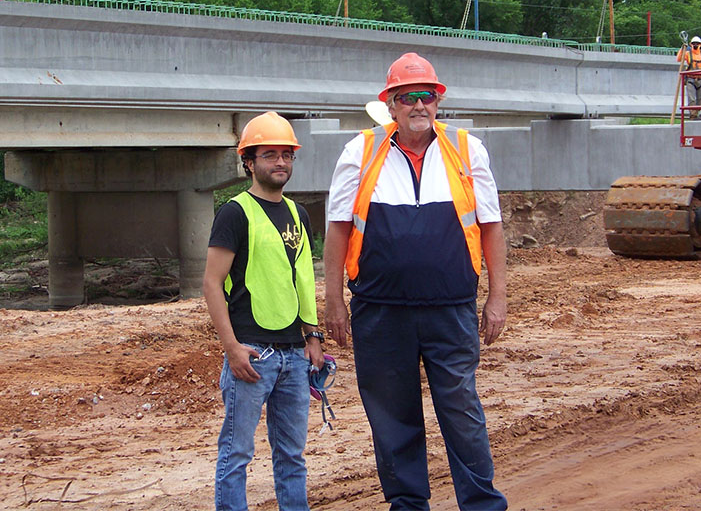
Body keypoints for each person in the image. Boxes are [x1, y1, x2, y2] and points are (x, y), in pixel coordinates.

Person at [324, 52, 508, 510]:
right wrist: (332, 301)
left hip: (451, 309)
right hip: (380, 311)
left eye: (426, 96)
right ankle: (408, 505)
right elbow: (337, 228)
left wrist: (498, 297)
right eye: (407, 98)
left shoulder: (468, 149)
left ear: (438, 102)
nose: (418, 105)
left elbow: (492, 227)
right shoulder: (361, 151)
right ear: (390, 104)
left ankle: (482, 503)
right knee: (392, 418)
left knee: (461, 411)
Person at [203, 111, 325, 511]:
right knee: (236, 454)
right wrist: (232, 347)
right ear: (249, 162)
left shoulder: (298, 214)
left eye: (287, 155)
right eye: (270, 154)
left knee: (292, 457)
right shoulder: (235, 213)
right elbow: (211, 283)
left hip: (294, 355)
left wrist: (313, 338)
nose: (281, 162)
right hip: (253, 355)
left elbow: (304, 279)